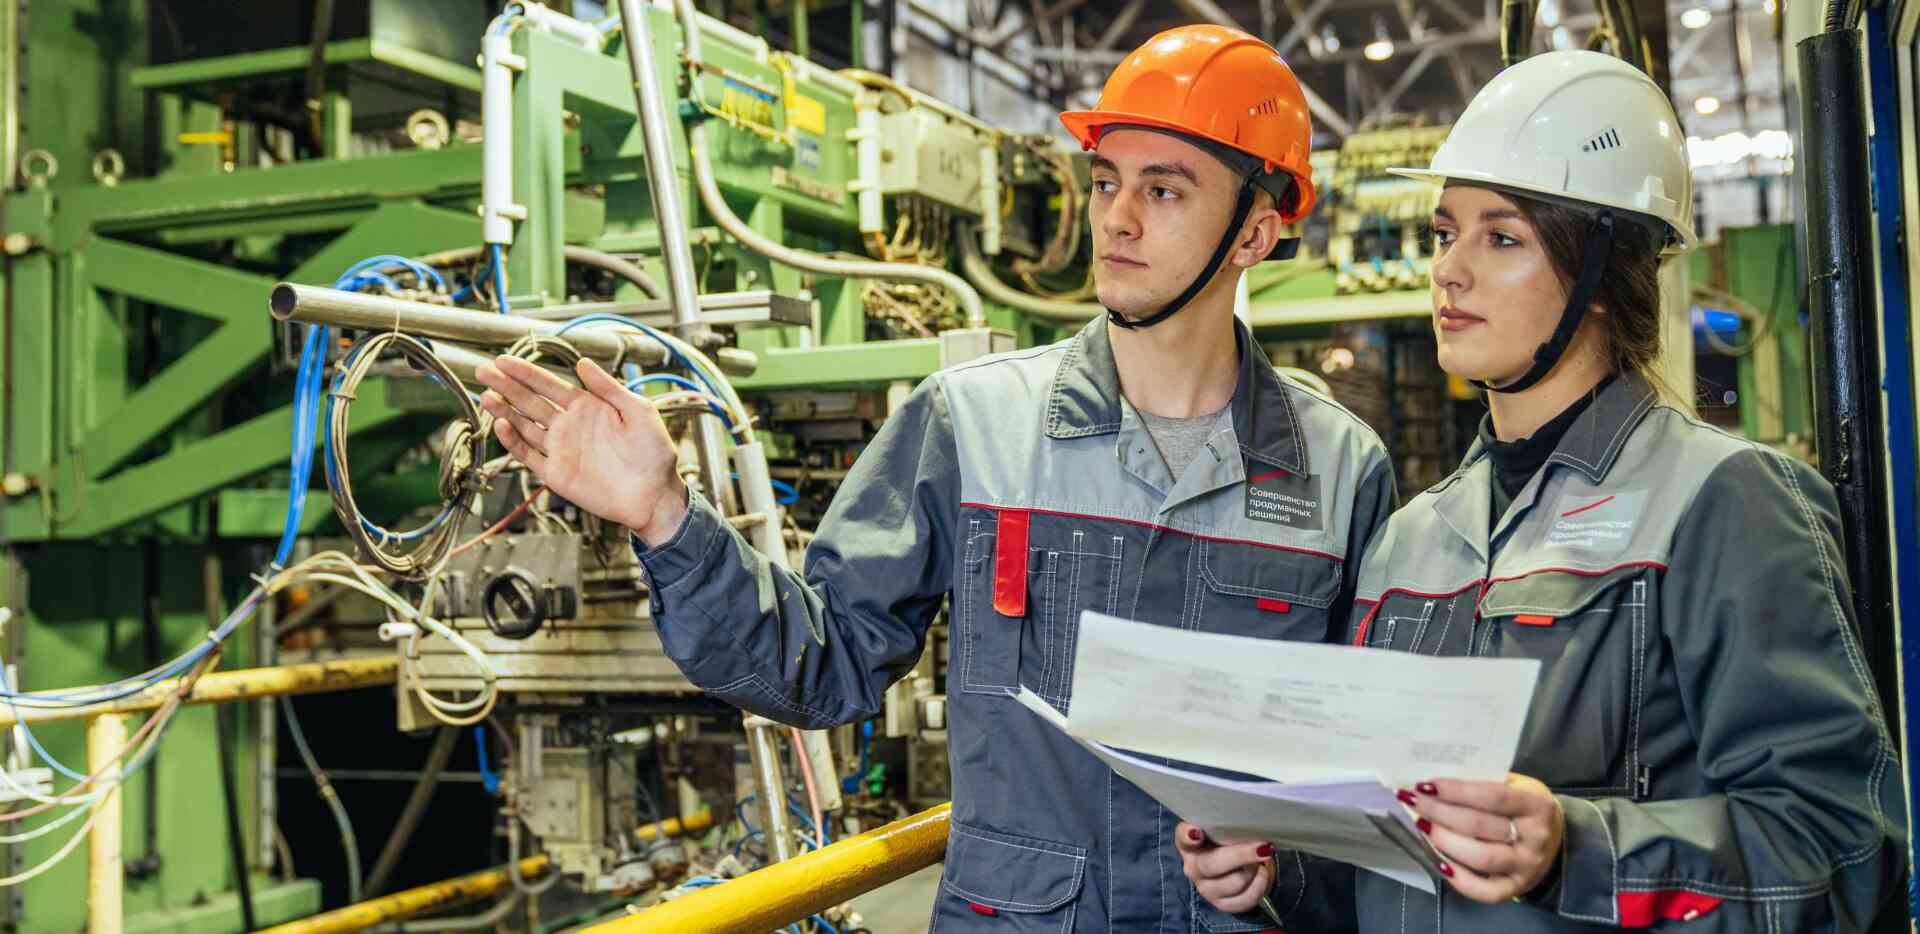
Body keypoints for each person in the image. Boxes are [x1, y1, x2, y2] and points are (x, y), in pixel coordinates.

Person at [475, 23, 1396, 931]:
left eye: (1165, 190)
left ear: (1256, 232)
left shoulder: (1340, 471)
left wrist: (1286, 865)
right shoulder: (973, 424)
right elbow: (824, 664)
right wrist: (667, 517)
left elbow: (1371, 764)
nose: (1116, 218)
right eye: (1108, 180)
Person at [1180, 49, 1905, 932]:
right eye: (1447, 233)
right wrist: (1274, 865)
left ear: (1600, 271)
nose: (1448, 269)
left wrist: (1576, 850)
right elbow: (1388, 862)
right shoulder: (1412, 538)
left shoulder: (1724, 502)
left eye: (1503, 237)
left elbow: (1843, 850)